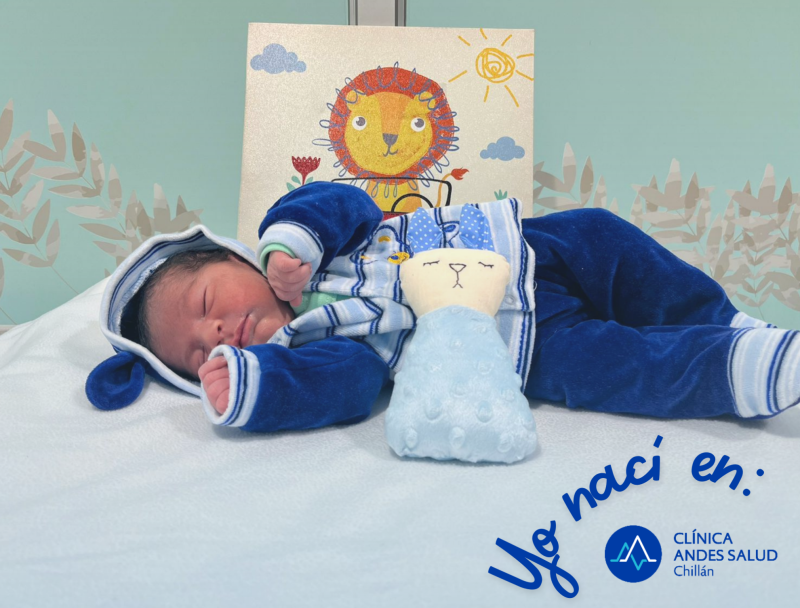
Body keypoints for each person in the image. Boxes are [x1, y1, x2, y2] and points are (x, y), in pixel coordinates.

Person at [87, 181, 800, 430]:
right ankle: (742, 369)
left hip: (528, 248)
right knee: (619, 369)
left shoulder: (316, 245)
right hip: (521, 344)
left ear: (236, 257)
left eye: (207, 300)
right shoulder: (317, 348)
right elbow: (351, 389)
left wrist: (293, 240)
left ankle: (720, 320)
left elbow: (345, 200)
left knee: (609, 239)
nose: (216, 328)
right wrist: (258, 383)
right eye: (199, 351)